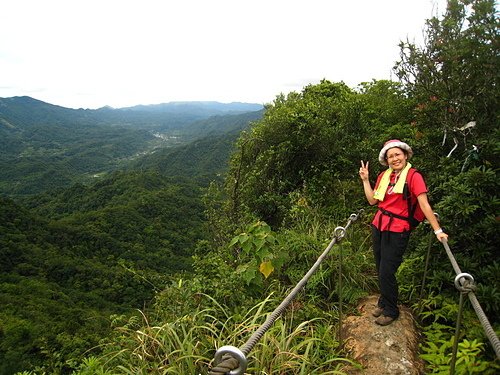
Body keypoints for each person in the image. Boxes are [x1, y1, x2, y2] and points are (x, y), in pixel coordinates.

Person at [359, 139, 448, 326]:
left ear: (406, 155)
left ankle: (391, 310)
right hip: (379, 225)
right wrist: (366, 180)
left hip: (398, 229)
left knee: (387, 271)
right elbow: (372, 201)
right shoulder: (385, 176)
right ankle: (383, 302)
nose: (394, 159)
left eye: (397, 154)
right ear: (386, 160)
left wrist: (437, 230)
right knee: (380, 266)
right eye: (390, 156)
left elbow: (424, 205)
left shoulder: (414, 176)